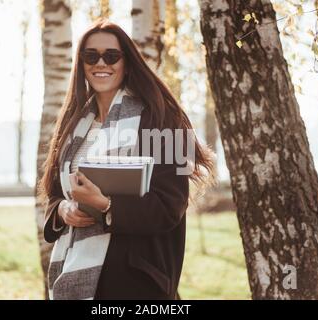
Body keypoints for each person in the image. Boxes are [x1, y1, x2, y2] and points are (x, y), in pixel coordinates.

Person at [38, 19, 215, 300]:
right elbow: (55, 196)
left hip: (136, 283)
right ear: (81, 64)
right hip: (75, 278)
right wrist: (62, 212)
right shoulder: (73, 126)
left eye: (111, 56)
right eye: (90, 56)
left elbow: (170, 207)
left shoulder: (165, 119)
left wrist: (105, 205)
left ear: (127, 62)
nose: (100, 63)